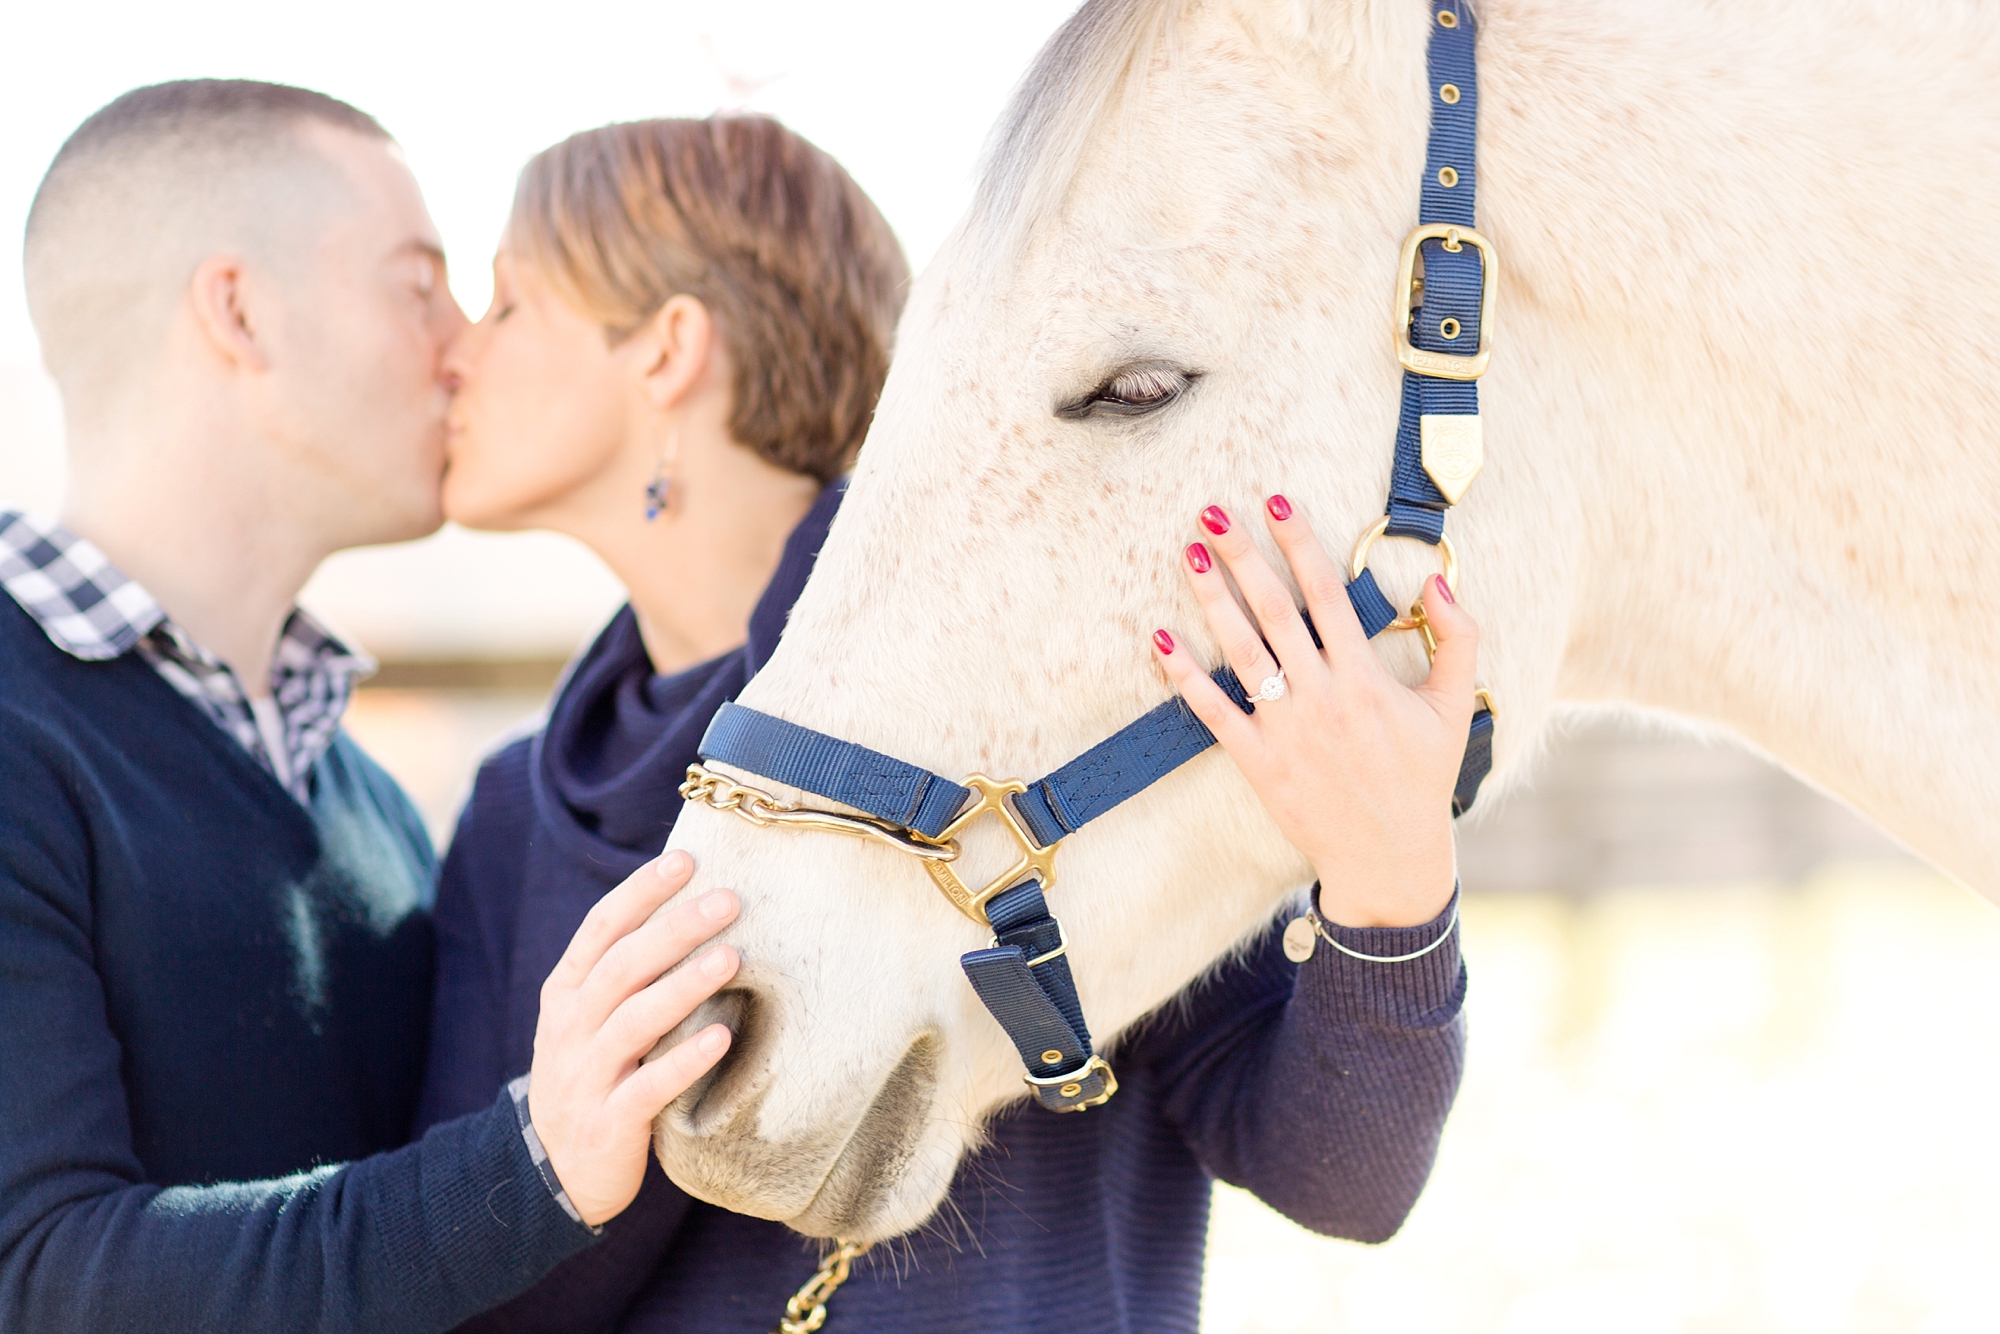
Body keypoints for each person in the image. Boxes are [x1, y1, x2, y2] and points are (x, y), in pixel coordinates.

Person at [418, 113, 1476, 1332]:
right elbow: (495, 1314)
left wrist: (1392, 882)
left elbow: (1342, 1175)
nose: (454, 354)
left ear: (665, 349)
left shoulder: (1043, 707)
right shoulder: (517, 803)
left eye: (506, 306)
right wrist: (594, 1138)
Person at [0, 80, 744, 1334]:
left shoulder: (372, 803)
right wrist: (533, 1163)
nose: (464, 344)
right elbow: (40, 1277)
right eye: (418, 285)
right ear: (239, 311)